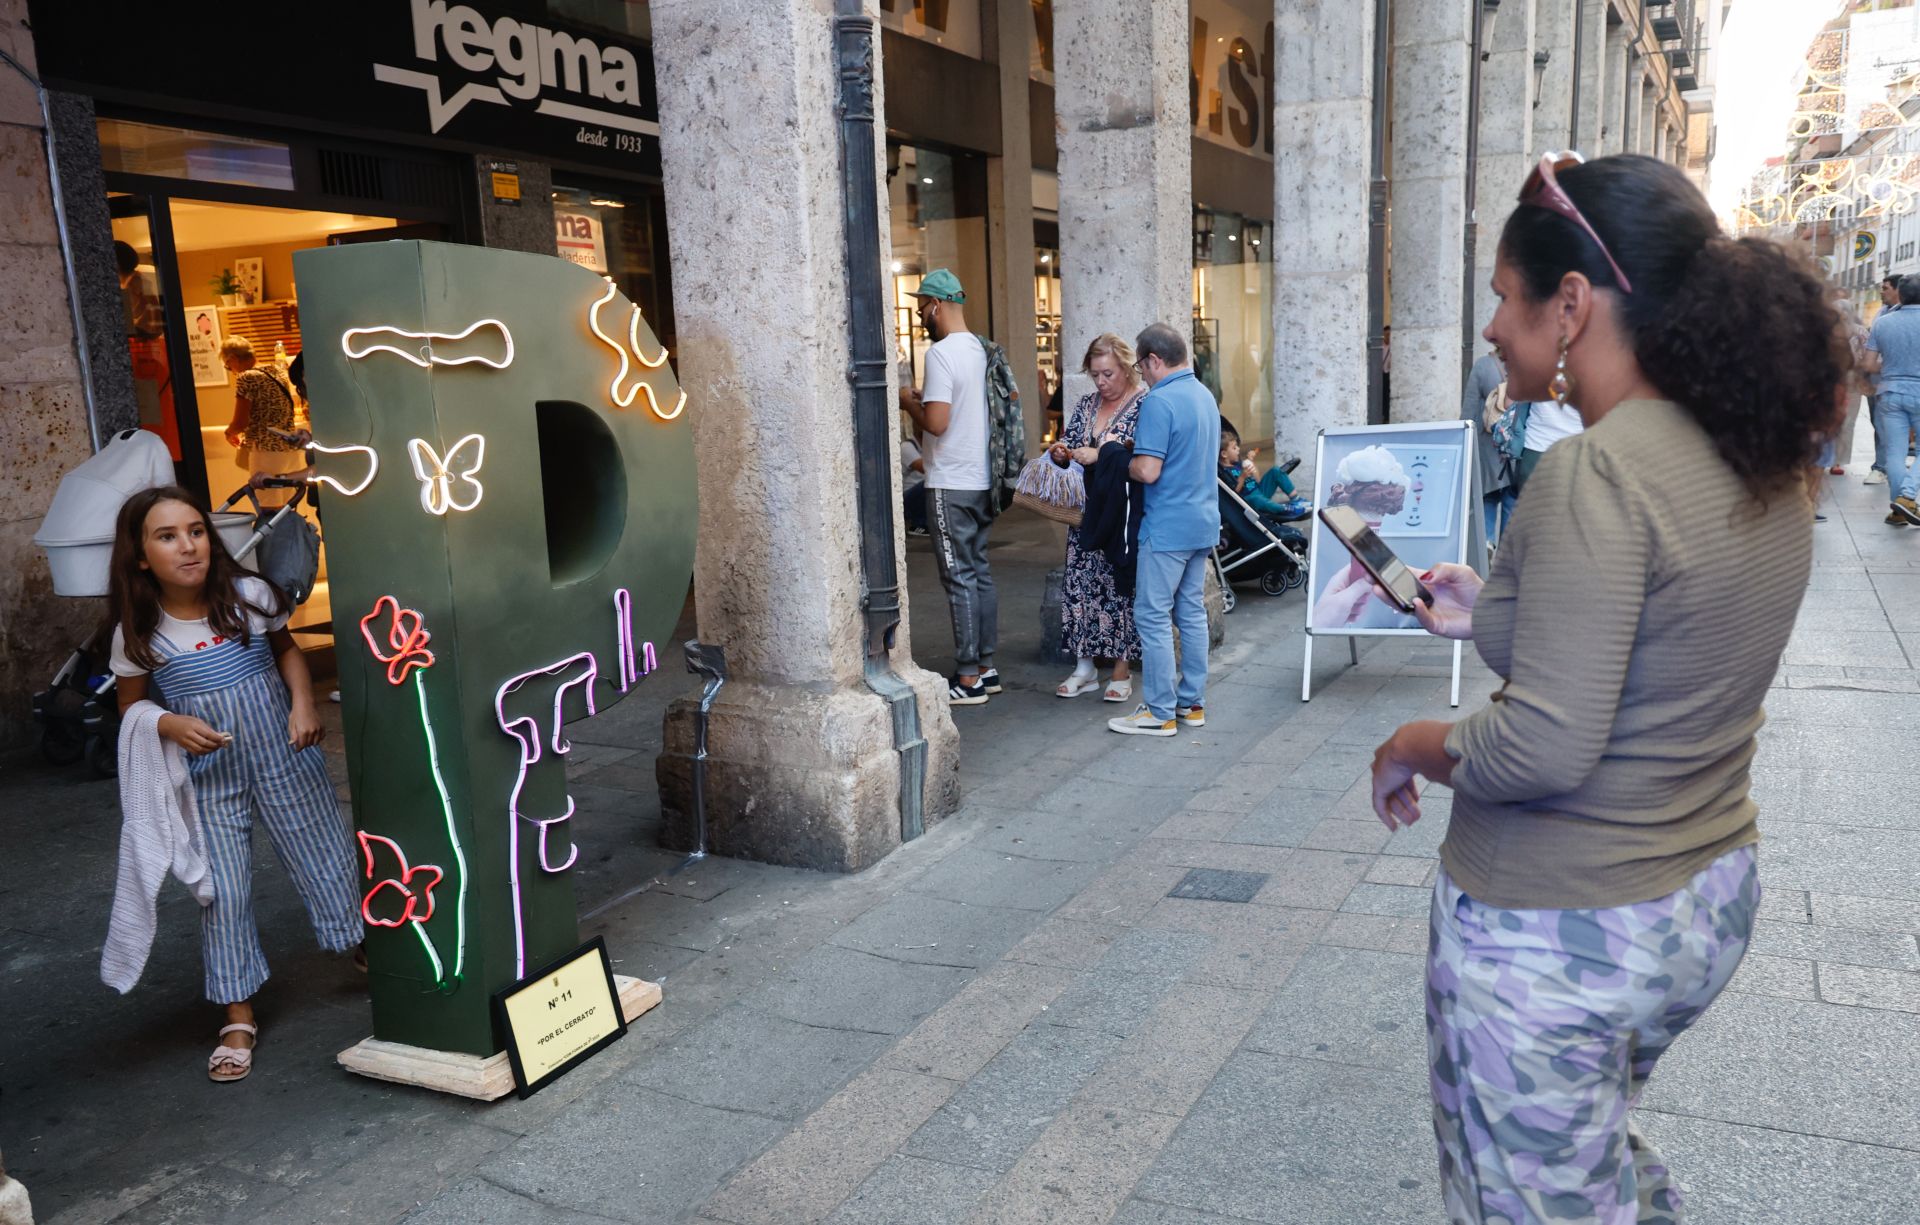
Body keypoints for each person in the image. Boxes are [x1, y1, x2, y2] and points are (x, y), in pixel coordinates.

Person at [1368, 153, 1841, 1223]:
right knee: (1585, 1154)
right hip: (1699, 895)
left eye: (1506, 294)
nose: (1493, 325)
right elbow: (1667, 633)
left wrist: (1410, 742)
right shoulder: (1758, 453)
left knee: (1523, 1196)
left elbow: (1541, 745)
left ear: (1572, 303)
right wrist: (1494, 607)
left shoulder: (1597, 469)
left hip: (1562, 926)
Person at [108, 486, 363, 1082]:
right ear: (141, 557)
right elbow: (130, 707)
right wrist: (168, 722)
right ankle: (237, 1011)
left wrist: (304, 704)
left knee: (325, 852)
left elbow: (287, 652)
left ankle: (362, 943)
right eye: (167, 537)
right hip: (209, 777)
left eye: (196, 531)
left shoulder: (249, 595)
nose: (188, 545)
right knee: (223, 890)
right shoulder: (138, 631)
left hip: (284, 754)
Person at [1109, 323, 1220, 738]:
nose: (1142, 376)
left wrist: (1116, 456)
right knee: (1190, 612)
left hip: (1168, 525)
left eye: (1141, 367)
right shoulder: (1204, 395)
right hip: (1202, 521)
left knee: (1152, 615)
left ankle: (1159, 711)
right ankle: (1192, 703)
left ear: (1154, 360)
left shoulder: (1159, 401)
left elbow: (1148, 470)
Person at [898, 269, 1000, 705]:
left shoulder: (941, 354)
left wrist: (909, 403)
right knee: (979, 572)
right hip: (982, 479)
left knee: (958, 578)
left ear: (937, 305)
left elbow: (937, 424)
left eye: (922, 306)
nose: (921, 314)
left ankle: (968, 678)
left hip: (950, 481)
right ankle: (987, 667)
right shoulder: (980, 348)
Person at [1047, 333, 1147, 702]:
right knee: (1080, 584)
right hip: (1085, 511)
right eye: (1095, 375)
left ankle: (1122, 669)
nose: (1101, 382)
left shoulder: (1144, 404)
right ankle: (1084, 666)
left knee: (1120, 586)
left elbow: (1145, 457)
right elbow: (1071, 440)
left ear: (1126, 369)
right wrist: (1062, 452)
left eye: (1108, 374)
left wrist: (1101, 454)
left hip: (1121, 512)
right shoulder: (1087, 404)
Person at [1867, 275, 1920, 526]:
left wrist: (1892, 367)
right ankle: (1907, 497)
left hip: (1890, 391)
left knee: (1895, 453)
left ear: (1902, 294)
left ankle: (1899, 510)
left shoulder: (1882, 323)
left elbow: (1869, 364)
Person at [221, 336, 303, 489]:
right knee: (289, 500)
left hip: (266, 451)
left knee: (269, 501)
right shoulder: (277, 371)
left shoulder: (247, 377)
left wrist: (229, 433)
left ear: (233, 359)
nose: (231, 370)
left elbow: (240, 423)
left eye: (228, 366)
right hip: (289, 448)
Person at [1461, 350, 1515, 546]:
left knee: (1487, 498)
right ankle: (1507, 550)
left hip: (1487, 443)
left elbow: (1469, 408)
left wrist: (1463, 441)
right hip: (1515, 445)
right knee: (1511, 501)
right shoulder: (1524, 365)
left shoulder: (1483, 365)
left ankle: (1486, 544)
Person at [1219, 429, 1305, 522]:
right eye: (1234, 448)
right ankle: (1286, 509)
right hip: (1249, 500)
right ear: (1224, 454)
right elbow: (1233, 493)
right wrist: (1242, 477)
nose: (1238, 449)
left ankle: (1296, 499)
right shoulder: (1225, 472)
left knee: (1275, 470)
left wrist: (1251, 463)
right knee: (1257, 499)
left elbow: (1257, 480)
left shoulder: (1239, 464)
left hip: (1259, 490)